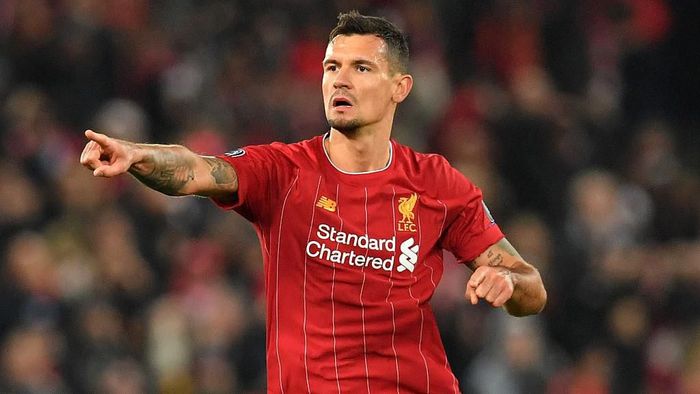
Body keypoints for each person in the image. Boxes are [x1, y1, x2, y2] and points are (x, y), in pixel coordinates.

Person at [79, 11, 547, 393]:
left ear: (399, 88)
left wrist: (506, 279)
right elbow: (198, 169)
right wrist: (139, 155)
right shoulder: (284, 172)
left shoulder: (436, 182)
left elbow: (532, 288)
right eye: (331, 67)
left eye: (361, 68)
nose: (340, 80)